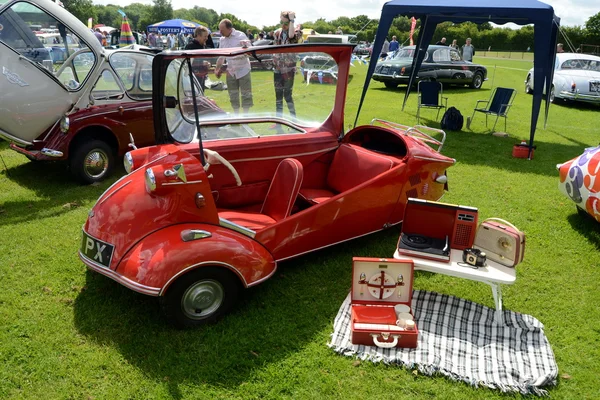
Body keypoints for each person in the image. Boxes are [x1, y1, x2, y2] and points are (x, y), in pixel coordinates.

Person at [216, 19, 253, 114]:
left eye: (222, 30)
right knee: (233, 94)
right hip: (231, 71)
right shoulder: (222, 40)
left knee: (246, 94)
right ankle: (236, 116)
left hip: (243, 69)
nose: (220, 32)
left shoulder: (241, 36)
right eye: (219, 29)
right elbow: (221, 56)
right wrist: (217, 69)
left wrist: (246, 49)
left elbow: (250, 53)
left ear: (229, 28)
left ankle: (246, 117)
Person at [272, 11, 301, 121]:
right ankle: (278, 121)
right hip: (277, 69)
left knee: (287, 96)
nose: (283, 25)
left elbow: (291, 36)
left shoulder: (297, 32)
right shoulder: (277, 33)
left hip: (288, 70)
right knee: (278, 96)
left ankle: (294, 120)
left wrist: (292, 20)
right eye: (281, 22)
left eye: (286, 23)